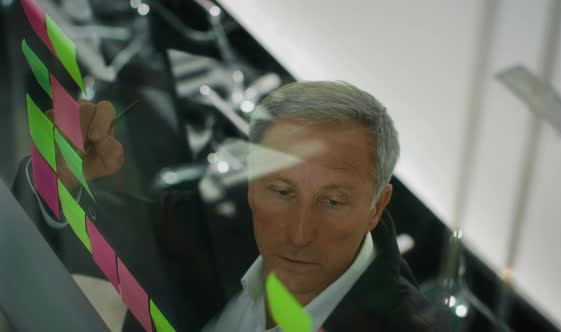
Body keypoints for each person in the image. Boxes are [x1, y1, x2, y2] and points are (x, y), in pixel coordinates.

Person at [13, 81, 434, 331]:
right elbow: (71, 226)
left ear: (377, 207)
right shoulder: (211, 226)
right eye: (282, 192)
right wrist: (57, 175)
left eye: (333, 200)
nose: (299, 234)